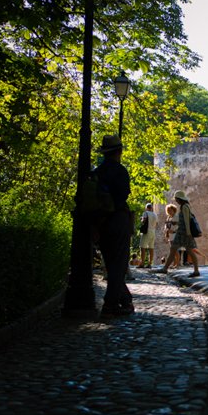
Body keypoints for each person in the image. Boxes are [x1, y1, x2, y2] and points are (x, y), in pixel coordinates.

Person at [92, 135, 133, 317]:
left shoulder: (96, 173)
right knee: (119, 264)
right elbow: (123, 195)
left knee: (111, 263)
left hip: (100, 222)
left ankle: (125, 299)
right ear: (119, 151)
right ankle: (110, 305)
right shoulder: (119, 171)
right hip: (118, 220)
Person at [155, 190, 200, 277]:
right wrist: (178, 224)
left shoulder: (184, 207)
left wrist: (188, 233)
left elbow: (187, 221)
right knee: (185, 250)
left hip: (183, 232)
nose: (176, 200)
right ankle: (195, 270)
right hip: (183, 231)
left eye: (176, 199)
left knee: (178, 249)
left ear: (179, 199)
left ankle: (165, 268)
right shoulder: (186, 206)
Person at [138, 203, 158, 268]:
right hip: (153, 232)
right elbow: (156, 224)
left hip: (147, 232)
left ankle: (142, 263)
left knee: (142, 248)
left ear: (146, 208)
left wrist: (141, 219)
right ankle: (149, 263)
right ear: (152, 208)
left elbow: (144, 221)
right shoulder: (155, 215)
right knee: (151, 248)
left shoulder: (146, 213)